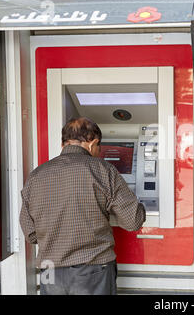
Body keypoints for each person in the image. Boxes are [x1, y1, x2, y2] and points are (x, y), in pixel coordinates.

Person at [19, 117, 146, 295]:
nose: (99, 152)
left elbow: (31, 234)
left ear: (63, 143)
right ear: (92, 143)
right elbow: (133, 221)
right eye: (99, 147)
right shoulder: (103, 170)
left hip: (50, 271)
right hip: (93, 270)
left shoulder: (36, 176)